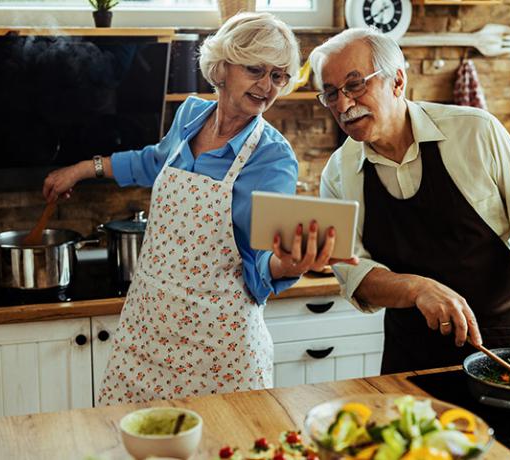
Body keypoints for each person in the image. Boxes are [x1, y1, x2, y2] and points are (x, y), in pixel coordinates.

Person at [43, 12, 348, 403]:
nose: (266, 86)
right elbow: (154, 160)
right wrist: (84, 169)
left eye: (278, 75)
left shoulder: (273, 159)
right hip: (146, 335)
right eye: (255, 69)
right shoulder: (190, 115)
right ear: (221, 68)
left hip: (218, 355)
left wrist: (292, 263)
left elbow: (261, 261)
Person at [308, 28, 510, 374]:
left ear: (397, 81)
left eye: (355, 85)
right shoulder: (337, 173)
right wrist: (417, 288)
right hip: (412, 357)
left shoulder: (476, 132)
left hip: (507, 343)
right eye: (331, 93)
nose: (343, 104)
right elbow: (354, 274)